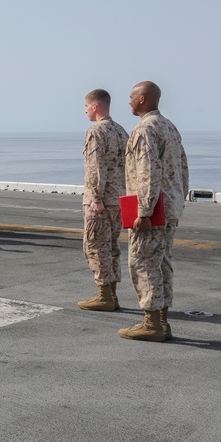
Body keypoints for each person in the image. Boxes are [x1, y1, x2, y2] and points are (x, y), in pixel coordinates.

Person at [119, 81, 189, 342]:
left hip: (152, 210)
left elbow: (147, 173)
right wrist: (178, 204)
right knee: (162, 264)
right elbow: (183, 170)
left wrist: (144, 212)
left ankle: (152, 323)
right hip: (169, 207)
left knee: (143, 263)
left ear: (143, 99)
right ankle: (162, 321)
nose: (129, 101)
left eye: (132, 97)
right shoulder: (169, 127)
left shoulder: (144, 130)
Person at [77, 90, 129, 312]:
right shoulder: (121, 131)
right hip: (119, 199)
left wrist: (95, 198)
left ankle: (104, 295)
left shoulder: (96, 131)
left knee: (96, 246)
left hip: (102, 200)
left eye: (87, 106)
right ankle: (112, 294)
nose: (85, 110)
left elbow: (95, 167)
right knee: (111, 246)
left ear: (95, 106)